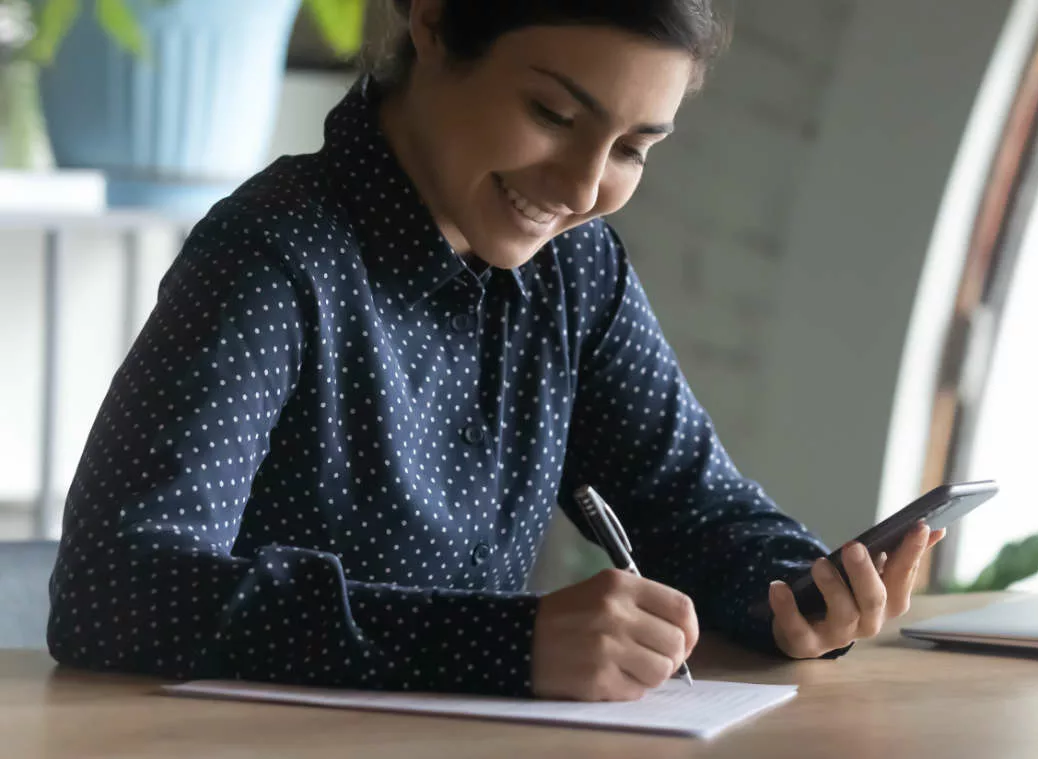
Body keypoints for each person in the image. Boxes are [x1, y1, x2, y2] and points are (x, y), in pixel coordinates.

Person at [47, 0, 944, 702]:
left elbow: (694, 507)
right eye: (553, 112)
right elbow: (118, 587)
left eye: (633, 148)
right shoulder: (274, 255)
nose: (585, 188)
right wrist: (505, 643)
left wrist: (800, 595)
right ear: (433, 23)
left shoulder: (574, 271)